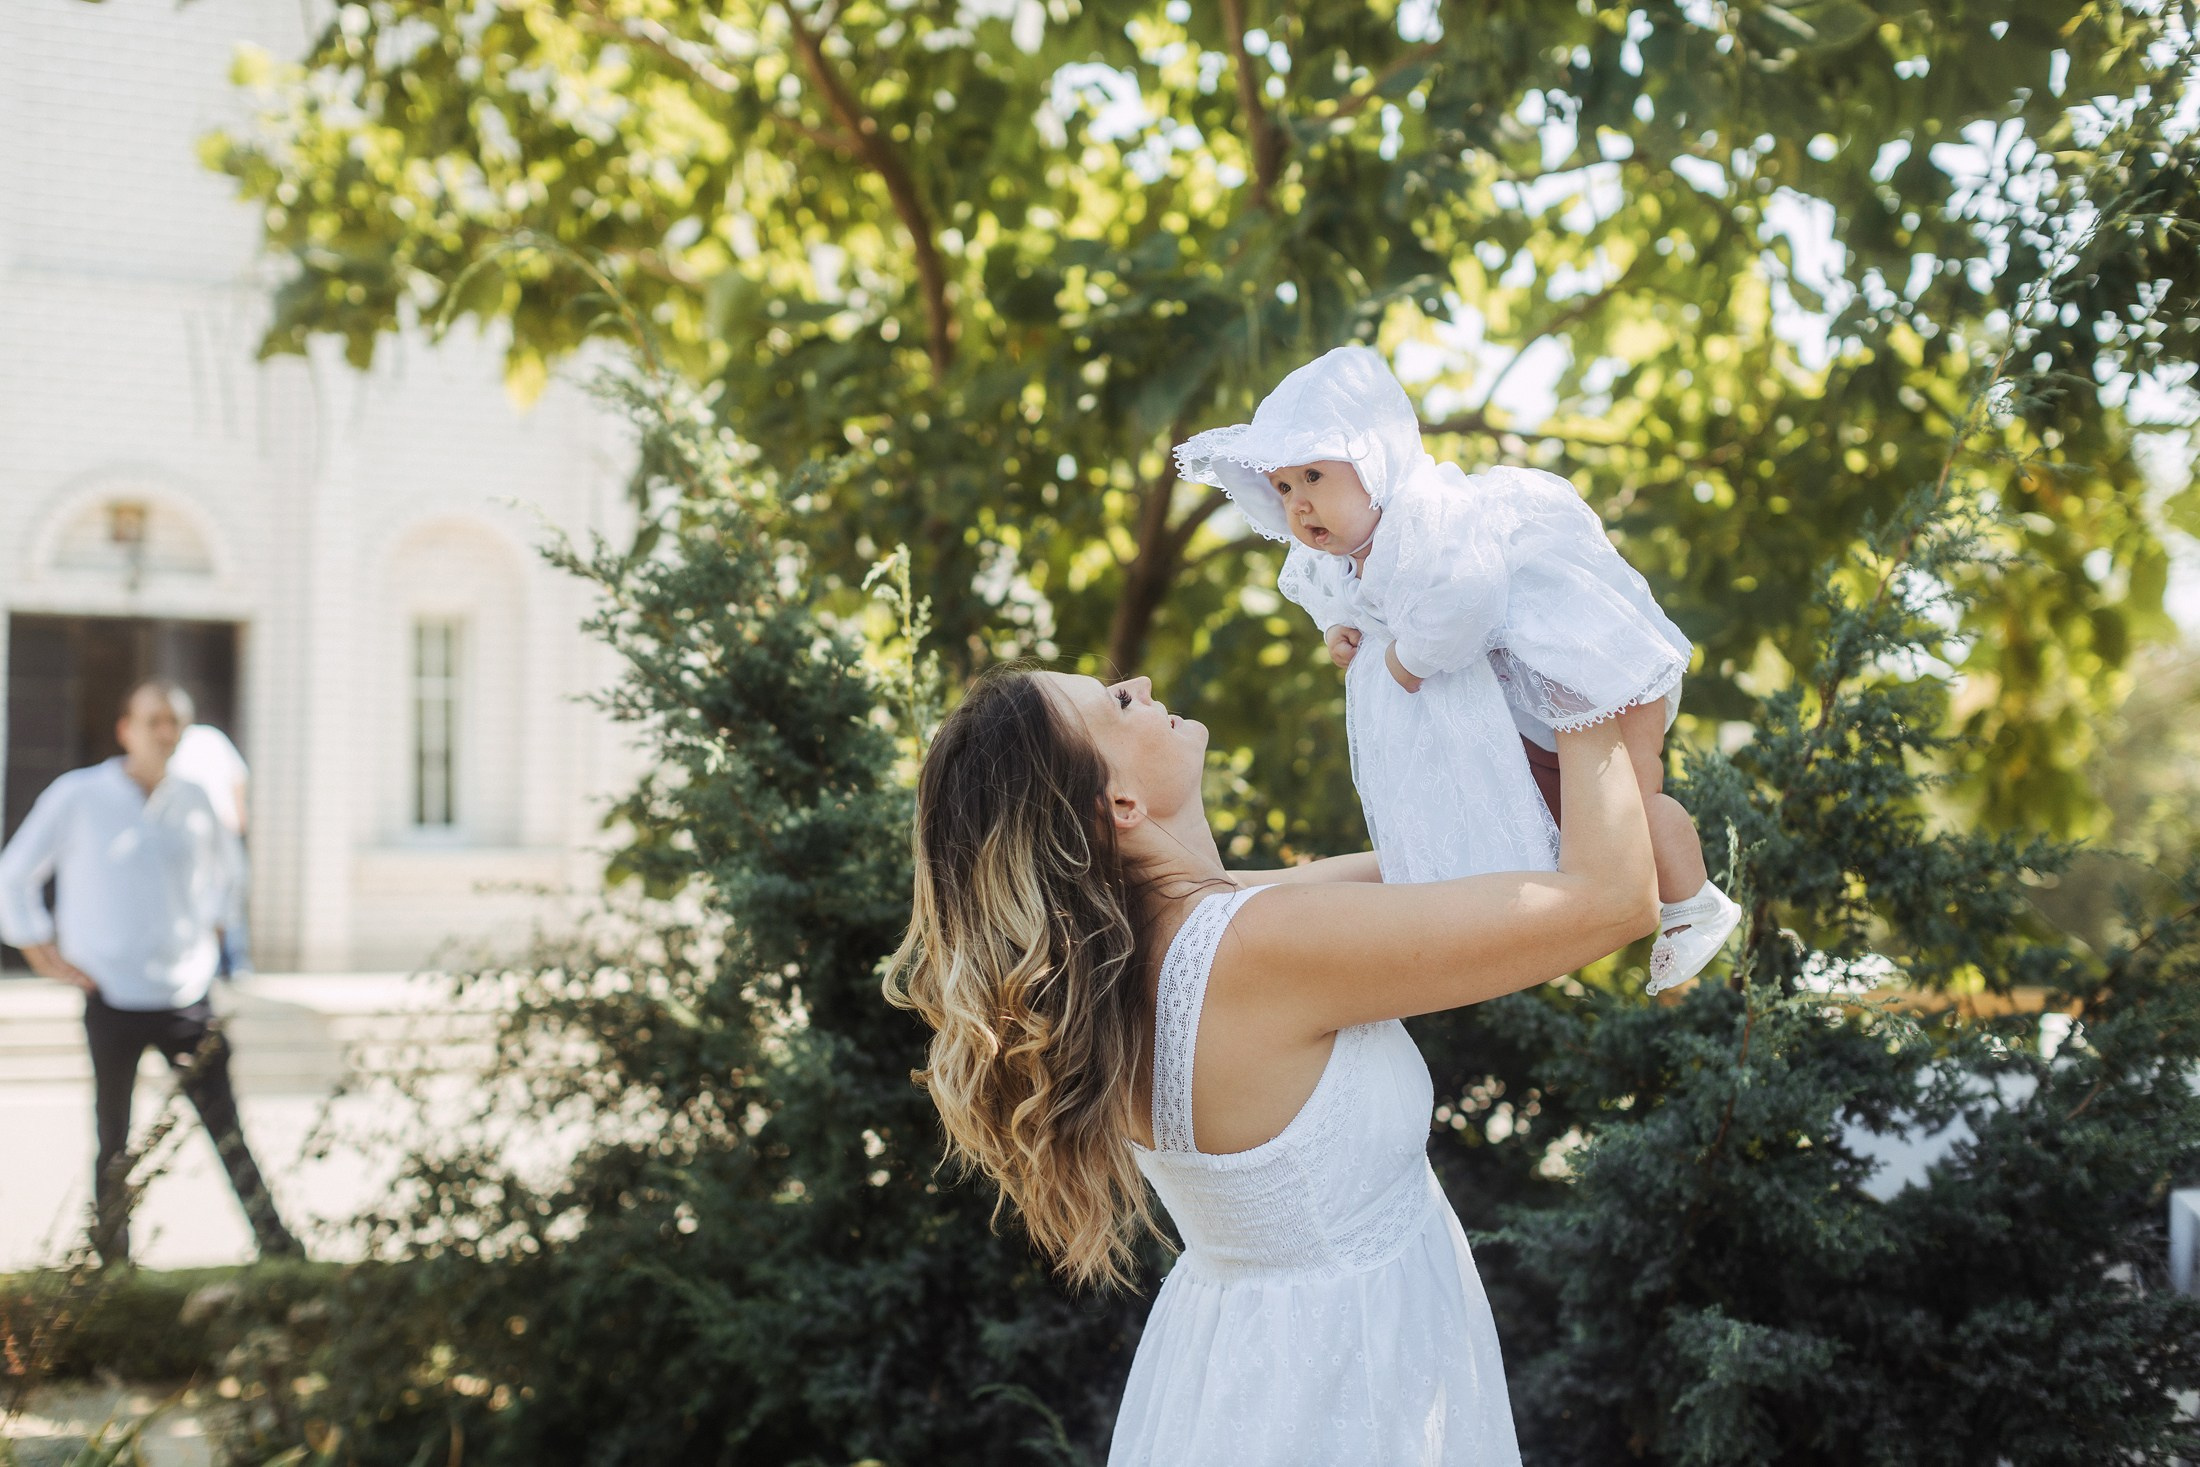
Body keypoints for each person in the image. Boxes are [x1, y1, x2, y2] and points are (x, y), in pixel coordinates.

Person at [885, 667, 1660, 1465]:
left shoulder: (1151, 953)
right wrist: (1576, 667)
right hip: (1346, 1385)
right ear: (1119, 805)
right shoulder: (1253, 948)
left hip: (1249, 1371)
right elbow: (1612, 900)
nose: (1142, 681)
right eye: (1117, 701)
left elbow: (1469, 864)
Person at [1174, 344, 1741, 992]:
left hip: (1584, 657)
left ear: (1373, 461)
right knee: (1562, 829)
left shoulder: (1425, 518)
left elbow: (1469, 598)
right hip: (1528, 705)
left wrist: (1409, 659)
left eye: (1313, 477)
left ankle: (1694, 901)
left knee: (1633, 804)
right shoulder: (1347, 556)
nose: (1298, 503)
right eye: (1281, 487)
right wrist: (1340, 629)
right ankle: (1676, 898)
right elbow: (1337, 598)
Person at [0, 679, 299, 1265]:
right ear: (125, 729)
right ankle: (112, 1261)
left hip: (186, 995)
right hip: (110, 996)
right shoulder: (78, 795)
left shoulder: (195, 799)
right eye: (154, 721)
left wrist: (213, 933)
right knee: (113, 1139)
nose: (166, 733)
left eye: (176, 724)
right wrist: (40, 952)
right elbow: (14, 874)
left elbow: (228, 877)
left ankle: (280, 1250)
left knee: (225, 1127)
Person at [167, 719, 252, 975]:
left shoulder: (210, 738)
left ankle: (234, 960)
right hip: (193, 829)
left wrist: (239, 810)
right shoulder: (170, 748)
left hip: (223, 823)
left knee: (232, 884)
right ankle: (208, 962)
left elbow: (238, 775)